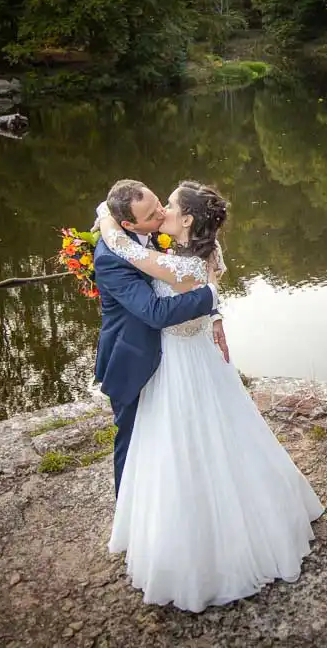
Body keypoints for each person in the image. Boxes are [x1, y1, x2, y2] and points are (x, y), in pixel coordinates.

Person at [94, 180, 324, 613]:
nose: (162, 211)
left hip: (184, 363)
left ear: (187, 221)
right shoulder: (196, 255)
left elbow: (130, 256)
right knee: (207, 438)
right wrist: (214, 308)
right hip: (187, 357)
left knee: (188, 444)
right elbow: (158, 273)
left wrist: (108, 223)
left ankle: (204, 548)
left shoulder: (179, 263)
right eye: (155, 208)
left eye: (169, 206)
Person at [91, 179, 221, 498]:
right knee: (132, 440)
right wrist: (211, 297)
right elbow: (156, 312)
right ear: (128, 223)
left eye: (161, 203)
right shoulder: (112, 256)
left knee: (171, 439)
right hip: (132, 358)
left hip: (171, 356)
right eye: (152, 213)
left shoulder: (149, 236)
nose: (161, 213)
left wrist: (215, 315)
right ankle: (131, 511)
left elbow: (185, 275)